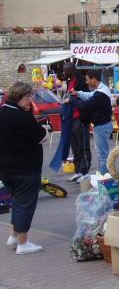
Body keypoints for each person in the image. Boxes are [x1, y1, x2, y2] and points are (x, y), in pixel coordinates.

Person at [0, 82, 47, 254]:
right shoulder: (21, 116)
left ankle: (13, 235)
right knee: (25, 204)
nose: (31, 100)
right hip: (25, 168)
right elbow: (41, 135)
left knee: (17, 202)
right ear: (19, 97)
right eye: (28, 97)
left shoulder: (3, 111)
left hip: (6, 168)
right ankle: (23, 243)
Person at [69, 70, 113, 175]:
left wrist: (72, 100)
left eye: (88, 80)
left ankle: (105, 180)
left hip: (102, 126)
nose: (87, 82)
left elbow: (84, 105)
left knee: (102, 155)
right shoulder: (101, 90)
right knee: (103, 154)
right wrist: (78, 93)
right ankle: (105, 177)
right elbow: (89, 95)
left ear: (94, 79)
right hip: (103, 126)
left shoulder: (100, 94)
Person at [63, 63, 92, 182]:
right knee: (74, 145)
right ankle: (78, 170)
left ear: (71, 70)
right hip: (71, 117)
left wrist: (70, 100)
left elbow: (84, 98)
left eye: (66, 71)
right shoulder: (70, 81)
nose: (64, 73)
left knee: (83, 145)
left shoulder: (81, 81)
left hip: (80, 117)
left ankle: (85, 171)